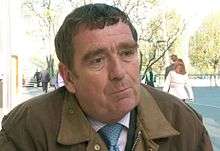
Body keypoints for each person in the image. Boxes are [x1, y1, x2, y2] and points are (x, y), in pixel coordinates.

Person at [0, 3, 213, 151]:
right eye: (97, 60)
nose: (119, 73)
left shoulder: (183, 122)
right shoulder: (27, 129)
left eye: (127, 53)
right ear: (69, 77)